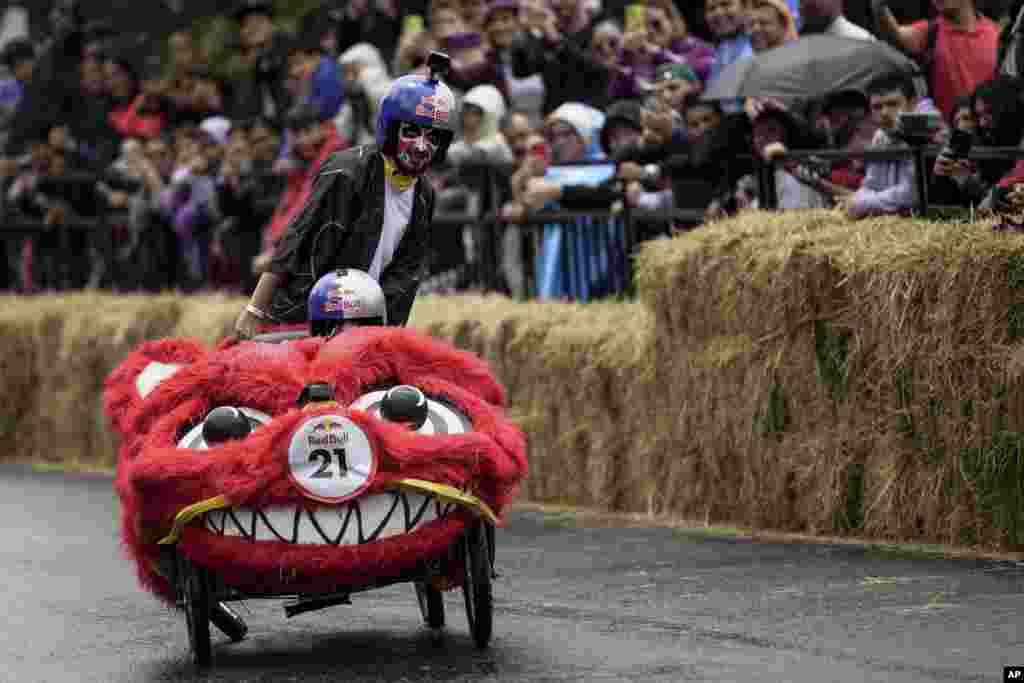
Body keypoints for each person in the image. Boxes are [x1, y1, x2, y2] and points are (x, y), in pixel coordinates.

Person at [233, 52, 455, 339]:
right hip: (305, 323)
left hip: (370, 333)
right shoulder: (347, 170)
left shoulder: (424, 195)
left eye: (433, 138)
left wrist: (384, 337)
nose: (422, 146)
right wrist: (255, 310)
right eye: (411, 132)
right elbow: (296, 239)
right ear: (389, 128)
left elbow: (405, 276)